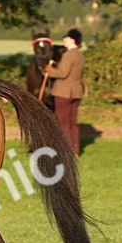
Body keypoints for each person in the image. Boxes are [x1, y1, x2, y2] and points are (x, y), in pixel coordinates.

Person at [46, 28, 86, 156]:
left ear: (72, 40)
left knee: (63, 122)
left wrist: (49, 69)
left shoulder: (68, 55)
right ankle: (75, 150)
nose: (64, 40)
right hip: (77, 91)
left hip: (63, 92)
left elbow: (62, 73)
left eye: (66, 38)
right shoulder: (80, 55)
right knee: (73, 122)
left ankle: (67, 150)